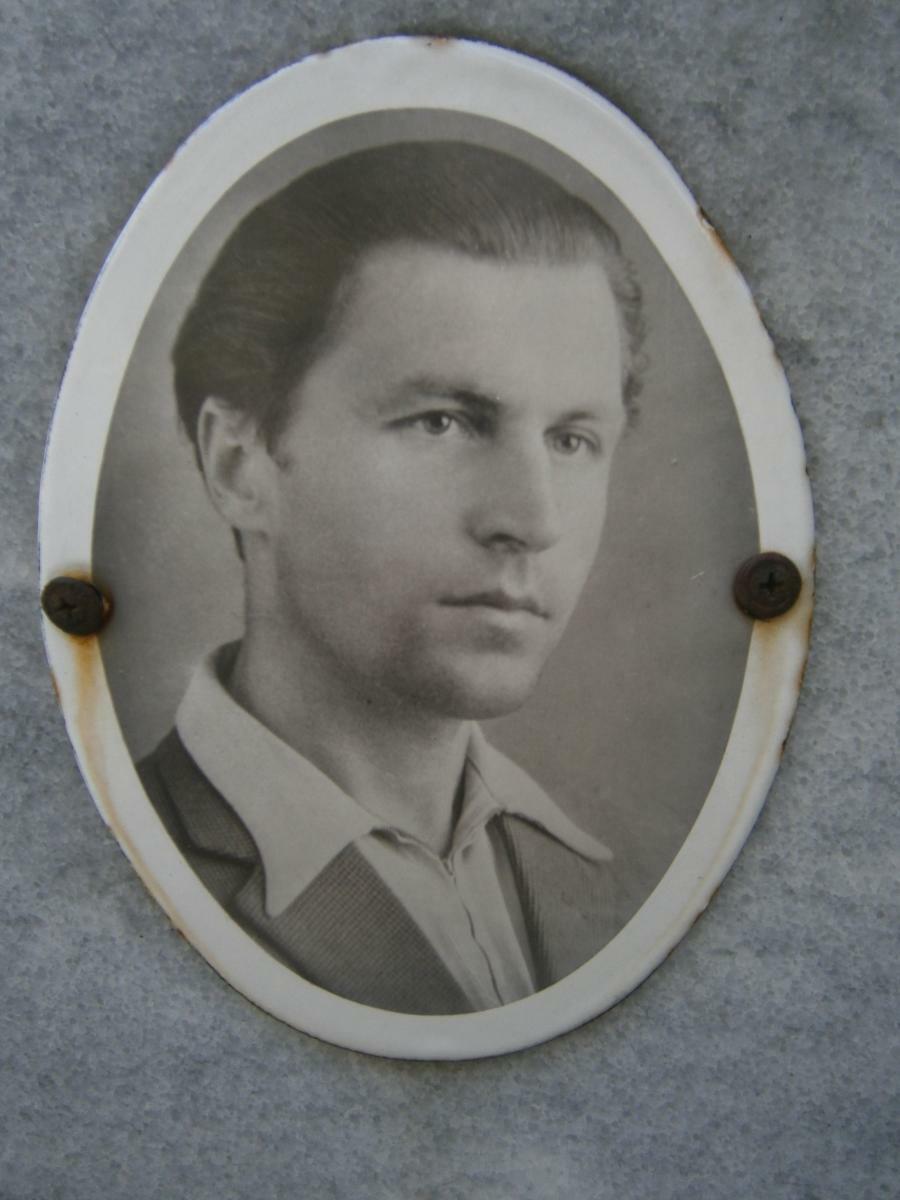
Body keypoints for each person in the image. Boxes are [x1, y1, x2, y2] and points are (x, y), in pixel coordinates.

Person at [139, 140, 646, 1015]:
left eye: (572, 441)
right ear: (239, 465)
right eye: (443, 422)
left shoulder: (608, 883)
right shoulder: (120, 867)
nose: (534, 521)